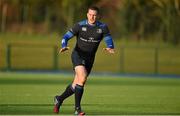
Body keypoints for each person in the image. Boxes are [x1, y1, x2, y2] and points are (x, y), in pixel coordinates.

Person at [54, 6, 115, 115]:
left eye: (95, 15)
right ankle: (77, 109)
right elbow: (66, 36)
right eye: (90, 14)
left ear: (98, 16)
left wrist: (110, 46)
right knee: (82, 78)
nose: (92, 17)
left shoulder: (103, 27)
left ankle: (59, 99)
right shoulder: (80, 25)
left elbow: (108, 38)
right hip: (78, 55)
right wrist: (64, 45)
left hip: (90, 59)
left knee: (76, 84)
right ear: (87, 14)